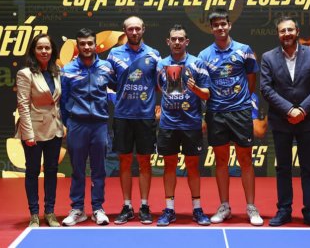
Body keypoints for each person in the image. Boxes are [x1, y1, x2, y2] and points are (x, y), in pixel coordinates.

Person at [198, 8, 263, 226]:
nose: (220, 28)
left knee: (245, 159)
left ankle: (251, 207)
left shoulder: (244, 50)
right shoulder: (204, 56)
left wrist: (243, 101)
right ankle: (224, 205)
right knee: (221, 160)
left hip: (240, 111)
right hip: (216, 113)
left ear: (229, 25)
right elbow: (202, 86)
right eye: (216, 25)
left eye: (223, 24)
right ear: (211, 28)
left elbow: (251, 79)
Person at [260, 16, 310, 228]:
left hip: (308, 120)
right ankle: (284, 210)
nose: (286, 34)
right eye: (282, 31)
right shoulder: (268, 57)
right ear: (278, 34)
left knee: (309, 168)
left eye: (290, 30)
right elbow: (266, 89)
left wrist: (302, 110)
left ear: (297, 31)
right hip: (281, 120)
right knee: (283, 168)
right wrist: (289, 109)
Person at [107, 16, 160, 225]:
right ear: (125, 31)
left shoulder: (154, 55)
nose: (135, 32)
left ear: (143, 29)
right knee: (125, 161)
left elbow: (159, 84)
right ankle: (127, 205)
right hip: (122, 115)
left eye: (138, 28)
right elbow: (110, 81)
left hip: (145, 116)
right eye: (131, 29)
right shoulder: (114, 54)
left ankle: (145, 205)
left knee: (145, 162)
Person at [156, 24, 211, 226]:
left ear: (187, 42)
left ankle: (197, 209)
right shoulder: (160, 64)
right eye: (174, 39)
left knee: (192, 167)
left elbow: (207, 94)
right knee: (169, 166)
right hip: (169, 124)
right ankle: (169, 210)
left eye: (181, 39)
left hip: (191, 124)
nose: (177, 42)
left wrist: (194, 88)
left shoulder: (198, 64)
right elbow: (158, 87)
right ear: (168, 42)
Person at [60, 28, 115, 226]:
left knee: (99, 169)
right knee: (77, 169)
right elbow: (63, 100)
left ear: (95, 45)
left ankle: (98, 208)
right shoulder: (68, 70)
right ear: (77, 45)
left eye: (89, 43)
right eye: (82, 44)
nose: (86, 47)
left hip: (99, 125)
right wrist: (69, 123)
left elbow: (115, 90)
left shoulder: (107, 68)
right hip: (77, 124)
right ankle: (77, 209)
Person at [16, 33, 64, 227]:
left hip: (55, 129)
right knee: (33, 171)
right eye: (40, 48)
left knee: (52, 171)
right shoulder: (25, 73)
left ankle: (50, 212)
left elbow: (57, 101)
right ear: (33, 51)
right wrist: (28, 134)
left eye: (47, 48)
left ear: (52, 51)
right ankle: (34, 214)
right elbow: (23, 105)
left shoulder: (57, 71)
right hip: (33, 130)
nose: (44, 51)